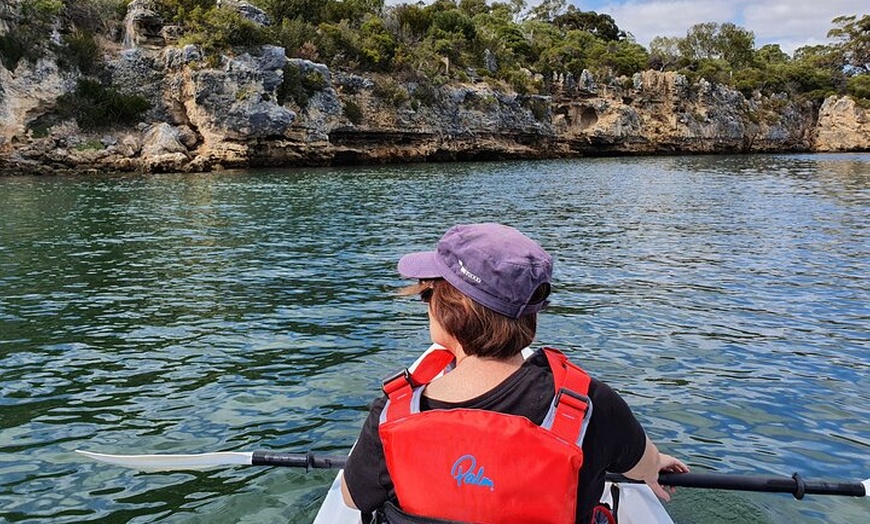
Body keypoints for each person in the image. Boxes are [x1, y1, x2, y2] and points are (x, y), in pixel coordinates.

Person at [340, 222, 688, 524]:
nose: (426, 305)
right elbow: (643, 463)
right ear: (530, 318)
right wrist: (656, 464)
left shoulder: (392, 415)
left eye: (427, 294)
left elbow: (353, 498)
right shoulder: (589, 406)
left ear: (448, 311)